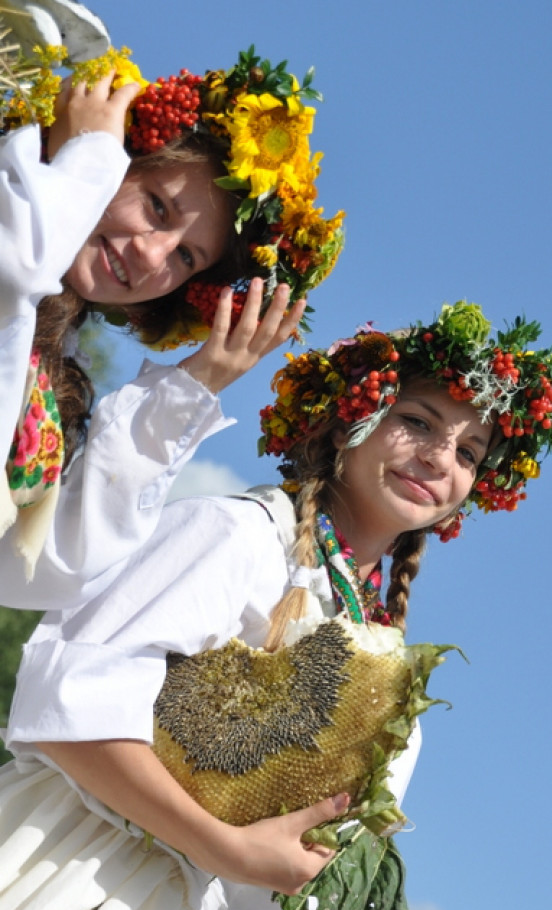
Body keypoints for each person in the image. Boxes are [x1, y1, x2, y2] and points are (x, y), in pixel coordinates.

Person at [0, 300, 552, 910]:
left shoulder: (387, 668)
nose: (437, 458)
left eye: (468, 453)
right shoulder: (236, 535)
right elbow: (65, 701)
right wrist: (226, 848)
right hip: (73, 879)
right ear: (345, 419)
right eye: (417, 421)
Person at [0, 40, 344, 604]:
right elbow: (16, 263)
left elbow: (41, 568)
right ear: (120, 151)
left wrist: (195, 385)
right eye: (158, 207)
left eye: (186, 258)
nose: (154, 256)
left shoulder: (46, 373)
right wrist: (84, 159)